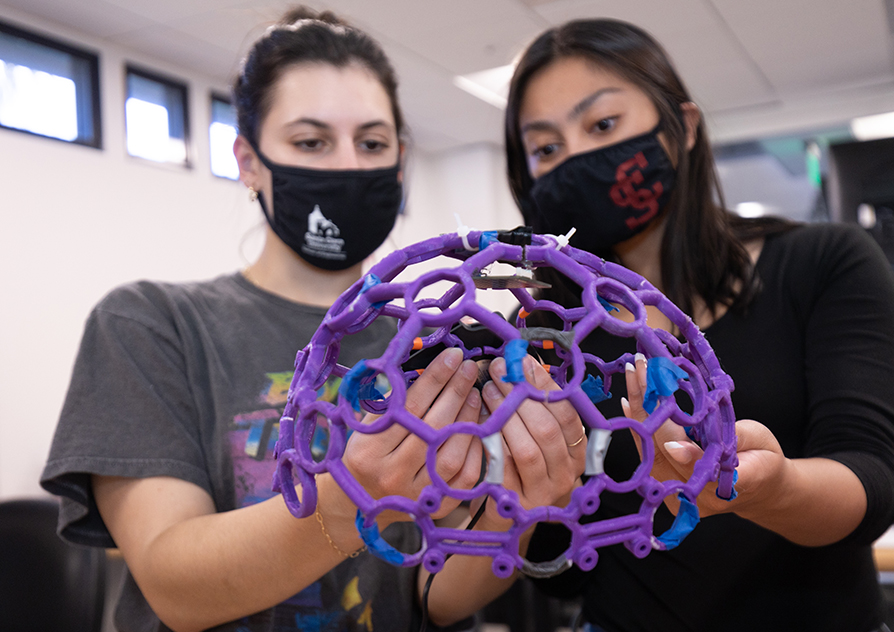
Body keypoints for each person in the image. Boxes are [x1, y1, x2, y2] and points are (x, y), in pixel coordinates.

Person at [40, 8, 583, 631]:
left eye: (372, 143)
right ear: (248, 161)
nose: (348, 166)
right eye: (311, 141)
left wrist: (527, 502)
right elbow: (174, 586)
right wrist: (355, 496)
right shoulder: (151, 324)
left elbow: (437, 595)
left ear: (400, 163)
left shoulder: (441, 342)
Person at [502, 18, 894, 632]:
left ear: (683, 128)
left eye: (604, 125)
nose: (578, 159)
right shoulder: (544, 331)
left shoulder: (825, 264)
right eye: (546, 148)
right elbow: (559, 569)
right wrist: (534, 494)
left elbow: (871, 485)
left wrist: (770, 492)